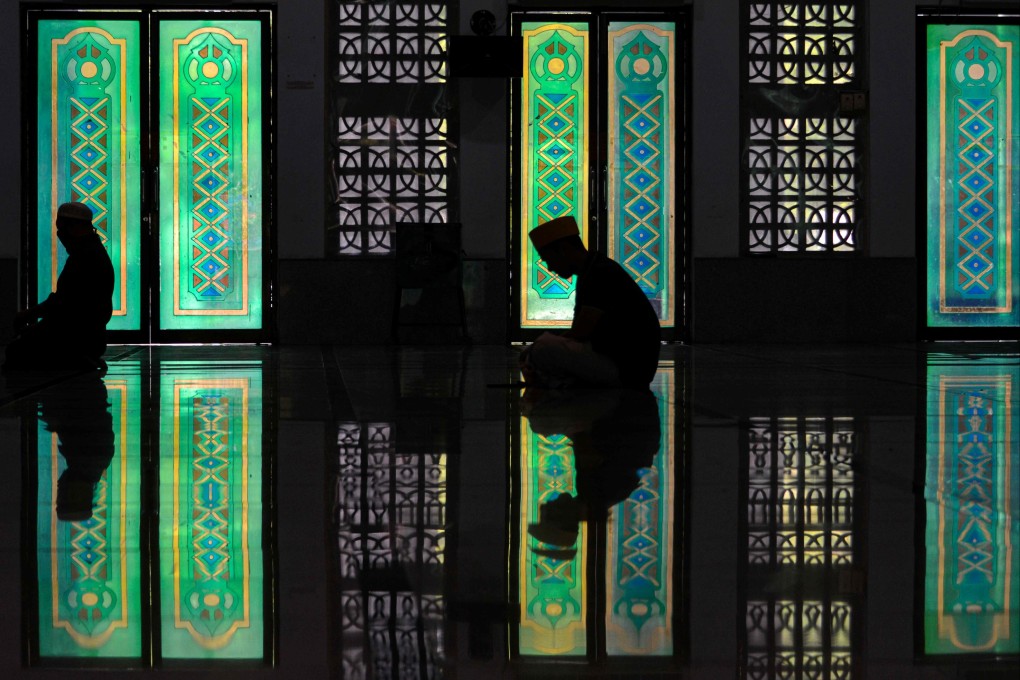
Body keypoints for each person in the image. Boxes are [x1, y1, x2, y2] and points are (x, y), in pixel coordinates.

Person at [520, 215, 660, 388]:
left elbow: (581, 333)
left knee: (543, 347)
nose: (550, 268)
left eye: (548, 259)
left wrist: (534, 349)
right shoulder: (593, 269)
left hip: (627, 370)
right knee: (543, 347)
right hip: (628, 366)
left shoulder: (599, 273)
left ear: (563, 250)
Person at [3, 202, 114, 372]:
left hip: (76, 338)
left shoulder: (85, 257)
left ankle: (77, 358)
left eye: (61, 231)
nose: (60, 237)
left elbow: (62, 305)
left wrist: (29, 315)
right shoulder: (92, 252)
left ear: (73, 228)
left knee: (15, 351)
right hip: (93, 338)